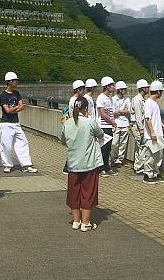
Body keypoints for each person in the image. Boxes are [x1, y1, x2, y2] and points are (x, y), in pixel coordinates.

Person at [60, 97, 104, 232]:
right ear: (86, 108)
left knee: (74, 193)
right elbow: (101, 134)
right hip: (89, 163)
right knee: (88, 192)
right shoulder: (90, 122)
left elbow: (62, 140)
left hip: (73, 164)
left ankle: (76, 221)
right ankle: (86, 223)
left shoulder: (67, 123)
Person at [0, 71, 38, 173]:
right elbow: (7, 110)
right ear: (9, 82)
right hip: (6, 123)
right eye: (15, 81)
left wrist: (13, 108)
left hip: (16, 123)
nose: (17, 82)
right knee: (6, 145)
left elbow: (22, 106)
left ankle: (26, 165)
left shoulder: (17, 93)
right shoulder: (3, 95)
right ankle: (7, 165)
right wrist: (16, 107)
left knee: (23, 142)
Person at [142, 80, 164, 184]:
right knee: (150, 156)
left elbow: (156, 118)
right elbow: (148, 119)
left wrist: (163, 126)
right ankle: (147, 175)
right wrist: (152, 132)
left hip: (158, 134)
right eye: (161, 91)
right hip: (151, 136)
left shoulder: (155, 103)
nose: (161, 93)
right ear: (158, 92)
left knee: (158, 156)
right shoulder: (148, 103)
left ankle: (155, 173)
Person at [63, 80, 86, 174]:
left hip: (74, 124)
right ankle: (67, 167)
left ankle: (70, 166)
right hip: (75, 125)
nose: (83, 91)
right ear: (78, 90)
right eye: (82, 89)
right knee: (75, 148)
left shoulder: (73, 99)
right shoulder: (74, 100)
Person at [96, 76, 118, 177]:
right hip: (103, 126)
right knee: (103, 148)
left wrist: (112, 123)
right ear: (107, 86)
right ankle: (100, 169)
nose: (114, 87)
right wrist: (112, 122)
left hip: (109, 126)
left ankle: (106, 167)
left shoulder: (110, 98)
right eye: (112, 85)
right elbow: (103, 114)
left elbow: (111, 113)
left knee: (108, 148)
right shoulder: (101, 98)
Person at [130, 79, 149, 175]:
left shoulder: (140, 99)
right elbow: (138, 116)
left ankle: (137, 166)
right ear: (142, 88)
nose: (148, 89)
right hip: (137, 126)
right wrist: (141, 129)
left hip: (137, 125)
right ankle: (139, 167)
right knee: (142, 147)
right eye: (147, 87)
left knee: (138, 147)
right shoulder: (137, 100)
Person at [110, 81, 131, 167]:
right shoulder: (113, 99)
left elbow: (129, 111)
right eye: (123, 89)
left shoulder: (127, 99)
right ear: (119, 90)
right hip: (116, 123)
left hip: (125, 123)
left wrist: (119, 111)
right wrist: (123, 111)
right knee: (114, 143)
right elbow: (112, 112)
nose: (125, 90)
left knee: (123, 143)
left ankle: (119, 160)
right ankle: (112, 158)